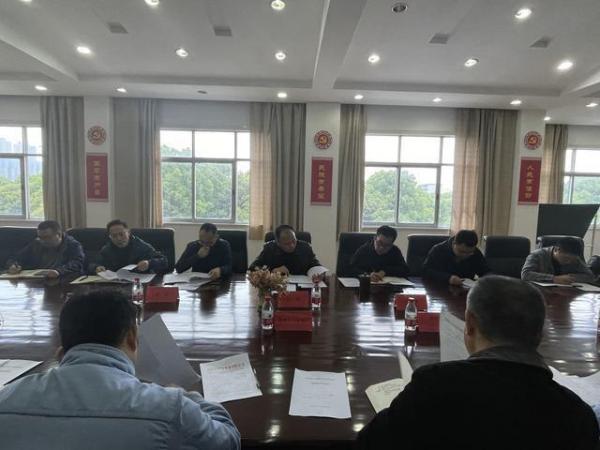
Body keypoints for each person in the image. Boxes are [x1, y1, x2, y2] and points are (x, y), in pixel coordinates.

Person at [357, 276, 599, 449]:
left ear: (470, 324)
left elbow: (368, 443)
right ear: (540, 334)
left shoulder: (433, 385)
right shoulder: (577, 414)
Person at [0, 289, 241, 450]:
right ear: (133, 338)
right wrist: (186, 396)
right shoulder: (170, 408)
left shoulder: (6, 399)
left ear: (61, 350)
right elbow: (228, 440)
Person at [6, 220, 84, 278]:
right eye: (40, 237)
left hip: (61, 280)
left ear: (59, 234)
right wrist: (13, 265)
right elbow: (16, 257)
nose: (43, 241)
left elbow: (77, 263)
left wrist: (59, 271)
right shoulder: (36, 243)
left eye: (47, 237)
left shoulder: (72, 245)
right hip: (36, 281)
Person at [90, 219, 168, 274]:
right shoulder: (107, 249)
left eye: (121, 234)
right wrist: (96, 268)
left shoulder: (141, 246)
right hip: (115, 284)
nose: (119, 238)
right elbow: (92, 264)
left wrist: (149, 263)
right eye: (114, 236)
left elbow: (163, 261)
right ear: (110, 237)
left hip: (138, 283)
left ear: (128, 233)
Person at [249, 225, 326, 276]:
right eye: (287, 244)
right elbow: (252, 268)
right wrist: (271, 271)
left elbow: (316, 265)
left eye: (294, 241)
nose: (292, 245)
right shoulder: (269, 249)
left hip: (301, 289)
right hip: (276, 288)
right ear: (278, 243)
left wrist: (320, 273)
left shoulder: (305, 247)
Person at [423, 230, 490, 285]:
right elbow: (426, 271)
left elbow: (486, 271)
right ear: (454, 243)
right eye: (461, 251)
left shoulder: (476, 253)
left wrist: (487, 280)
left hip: (465, 291)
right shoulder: (438, 250)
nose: (465, 255)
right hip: (440, 289)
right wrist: (448, 278)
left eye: (469, 253)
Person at [521, 237, 596, 284]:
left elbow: (590, 276)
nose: (569, 262)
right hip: (541, 293)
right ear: (557, 250)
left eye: (572, 260)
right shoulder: (537, 255)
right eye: (566, 258)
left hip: (566, 293)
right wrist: (554, 278)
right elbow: (525, 274)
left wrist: (570, 277)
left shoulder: (575, 259)